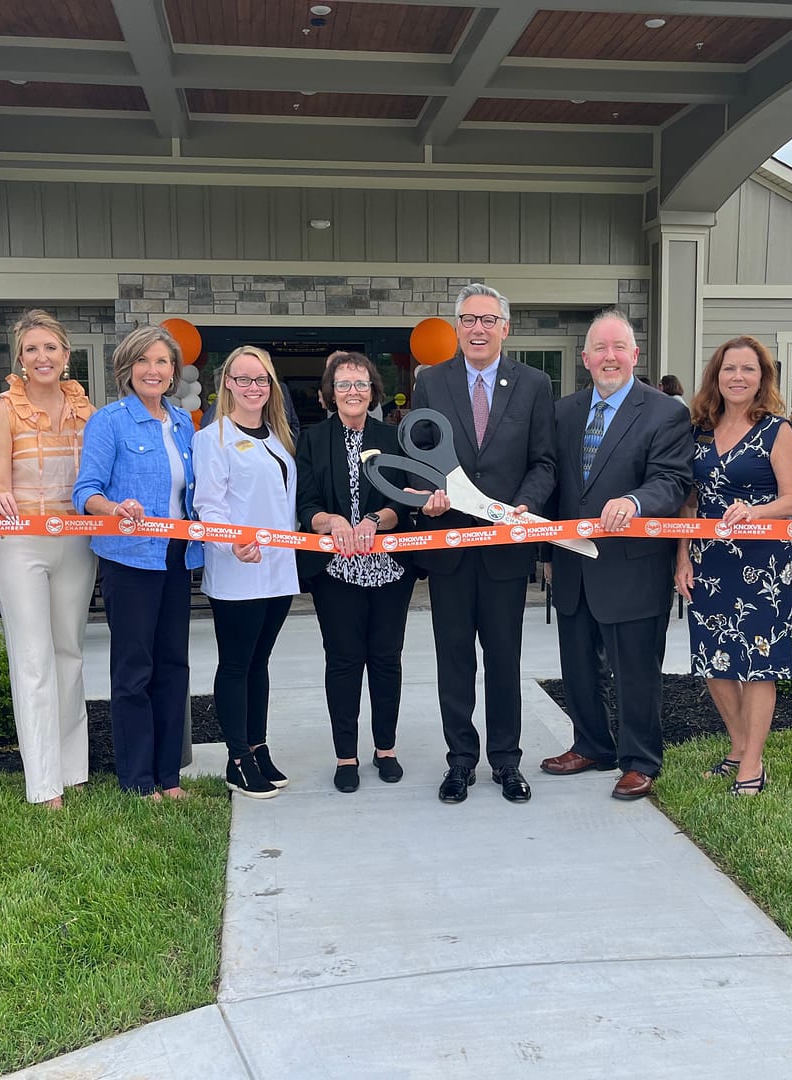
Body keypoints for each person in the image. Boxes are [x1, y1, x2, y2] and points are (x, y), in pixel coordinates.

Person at [412, 283, 556, 805]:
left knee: (503, 658)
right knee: (453, 659)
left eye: (488, 319)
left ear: (505, 327)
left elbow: (544, 462)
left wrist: (523, 506)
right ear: (457, 327)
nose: (478, 328)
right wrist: (425, 495)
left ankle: (506, 761)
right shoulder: (431, 382)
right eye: (469, 319)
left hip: (505, 548)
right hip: (450, 545)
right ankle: (460, 762)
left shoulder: (535, 384)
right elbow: (424, 454)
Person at [540, 311, 692, 800]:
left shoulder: (665, 412)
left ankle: (639, 759)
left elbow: (672, 481)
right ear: (585, 358)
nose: (609, 357)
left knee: (635, 671)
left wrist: (635, 502)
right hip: (572, 564)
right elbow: (552, 483)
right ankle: (591, 745)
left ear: (635, 355)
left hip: (632, 565)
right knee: (577, 665)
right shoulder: (562, 412)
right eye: (599, 349)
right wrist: (544, 546)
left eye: (618, 347)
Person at [73, 325, 202, 801]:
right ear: (127, 369)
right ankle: (136, 779)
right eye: (144, 361)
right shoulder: (109, 421)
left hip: (177, 556)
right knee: (134, 670)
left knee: (173, 666)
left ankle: (169, 777)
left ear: (174, 371)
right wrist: (115, 510)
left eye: (163, 362)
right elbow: (86, 491)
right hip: (129, 560)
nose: (154, 370)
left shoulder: (184, 422)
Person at [675, 337, 792, 795]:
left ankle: (752, 763)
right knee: (715, 661)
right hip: (708, 559)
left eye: (749, 369)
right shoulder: (698, 430)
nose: (738, 377)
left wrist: (756, 511)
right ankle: (737, 744)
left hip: (763, 564)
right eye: (730, 368)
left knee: (759, 664)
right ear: (716, 375)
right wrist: (682, 556)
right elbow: (688, 501)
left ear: (762, 378)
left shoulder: (776, 430)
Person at [0, 310, 97, 808]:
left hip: (75, 540)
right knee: (33, 659)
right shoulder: (3, 411)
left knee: (69, 653)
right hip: (23, 542)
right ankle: (43, 782)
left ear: (66, 355)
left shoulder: (87, 409)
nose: (42, 357)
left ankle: (73, 769)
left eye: (50, 347)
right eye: (32, 349)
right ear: (21, 358)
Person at [296, 351, 415, 792]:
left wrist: (374, 520)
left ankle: (386, 749)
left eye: (361, 384)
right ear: (330, 393)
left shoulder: (393, 436)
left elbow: (404, 497)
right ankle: (346, 756)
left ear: (373, 391)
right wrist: (333, 522)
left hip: (389, 569)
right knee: (344, 662)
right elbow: (304, 504)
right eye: (343, 384)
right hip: (335, 570)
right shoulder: (311, 440)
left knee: (386, 660)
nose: (352, 392)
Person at [194, 345, 299, 799]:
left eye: (261, 380)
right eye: (244, 379)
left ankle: (258, 747)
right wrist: (230, 542)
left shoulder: (279, 437)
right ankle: (236, 760)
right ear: (227, 385)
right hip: (238, 569)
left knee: (260, 663)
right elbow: (208, 506)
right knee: (236, 664)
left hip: (277, 570)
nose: (253, 388)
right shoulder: (212, 438)